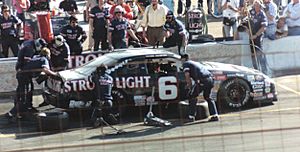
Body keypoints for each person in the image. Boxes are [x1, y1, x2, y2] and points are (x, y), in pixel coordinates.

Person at [6, 47, 58, 120]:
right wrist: (55, 74)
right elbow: (45, 69)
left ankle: (27, 109)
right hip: (24, 77)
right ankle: (11, 113)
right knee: (24, 97)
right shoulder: (44, 59)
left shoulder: (36, 57)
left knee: (28, 92)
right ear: (47, 54)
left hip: (22, 75)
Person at [181, 54, 219, 122]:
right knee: (207, 97)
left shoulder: (185, 63)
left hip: (202, 80)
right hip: (210, 79)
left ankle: (191, 117)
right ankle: (215, 115)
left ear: (183, 59)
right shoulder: (195, 62)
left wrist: (189, 86)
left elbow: (187, 75)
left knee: (192, 96)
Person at [248, 0, 268, 74]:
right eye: (255, 6)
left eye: (258, 6)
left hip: (258, 36)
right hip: (251, 36)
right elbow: (245, 23)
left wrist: (256, 35)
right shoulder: (250, 12)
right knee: (253, 54)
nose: (256, 7)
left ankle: (264, 70)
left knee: (259, 53)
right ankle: (255, 70)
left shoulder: (262, 14)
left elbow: (264, 27)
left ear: (260, 6)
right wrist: (249, 33)